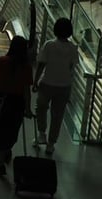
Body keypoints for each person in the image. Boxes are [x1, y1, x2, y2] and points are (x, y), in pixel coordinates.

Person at [34, 18, 79, 155]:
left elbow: (41, 64)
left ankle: (42, 133)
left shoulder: (49, 45)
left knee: (41, 108)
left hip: (47, 83)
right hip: (64, 86)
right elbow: (72, 67)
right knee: (57, 115)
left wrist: (35, 81)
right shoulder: (73, 48)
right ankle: (51, 144)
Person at [0, 36, 33, 176]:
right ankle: (7, 149)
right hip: (17, 103)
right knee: (11, 131)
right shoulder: (26, 67)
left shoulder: (2, 61)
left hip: (1, 100)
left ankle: (0, 163)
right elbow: (27, 90)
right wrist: (28, 108)